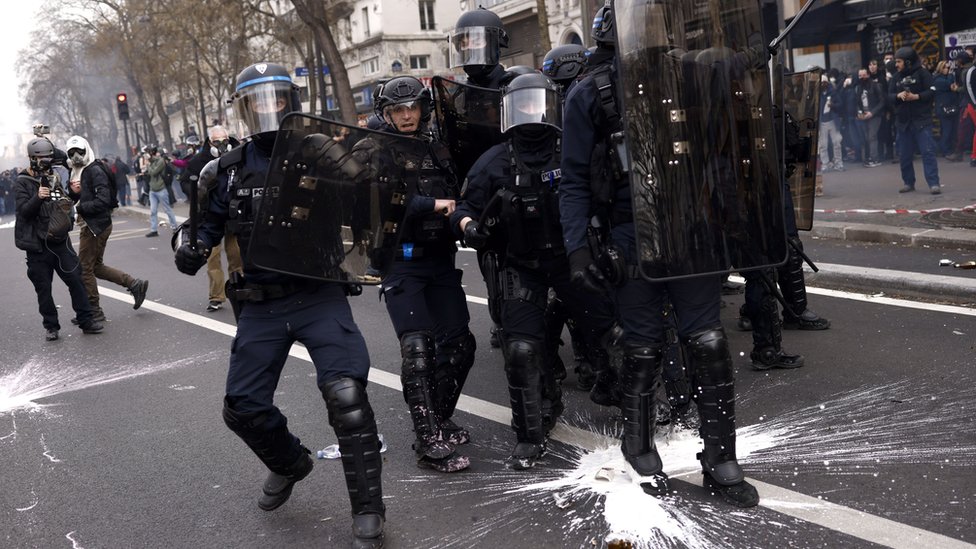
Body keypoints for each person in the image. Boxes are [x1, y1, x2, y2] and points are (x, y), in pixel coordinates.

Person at [173, 62, 385, 548]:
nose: (270, 110)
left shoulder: (323, 155)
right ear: (244, 110)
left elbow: (371, 204)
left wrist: (372, 169)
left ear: (292, 103)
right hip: (261, 301)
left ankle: (369, 508)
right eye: (258, 101)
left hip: (318, 294)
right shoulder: (221, 172)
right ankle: (291, 462)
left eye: (278, 99)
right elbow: (199, 229)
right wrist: (185, 247)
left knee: (347, 396)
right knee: (242, 408)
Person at [558, 2, 758, 506]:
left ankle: (720, 455)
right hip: (629, 234)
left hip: (691, 228)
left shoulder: (694, 78)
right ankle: (638, 442)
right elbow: (575, 182)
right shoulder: (591, 94)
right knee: (643, 346)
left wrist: (734, 221)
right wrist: (578, 249)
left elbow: (727, 152)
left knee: (708, 340)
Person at [453, 72, 617, 469]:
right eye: (522, 105)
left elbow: (607, 196)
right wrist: (468, 227)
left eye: (536, 103)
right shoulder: (494, 160)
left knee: (617, 337)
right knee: (522, 350)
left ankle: (632, 408)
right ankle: (529, 433)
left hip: (571, 260)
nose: (531, 113)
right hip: (521, 266)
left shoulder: (572, 152)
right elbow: (464, 208)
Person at [355, 75, 475, 473]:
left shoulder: (437, 148)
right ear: (386, 113)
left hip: (440, 258)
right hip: (401, 261)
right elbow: (379, 203)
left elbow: (461, 190)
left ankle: (439, 417)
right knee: (418, 349)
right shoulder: (372, 150)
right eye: (398, 110)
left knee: (460, 343)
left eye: (413, 108)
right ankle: (428, 442)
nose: (407, 116)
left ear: (423, 109)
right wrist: (432, 205)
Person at [14, 137, 103, 341]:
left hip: (60, 242)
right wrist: (38, 197)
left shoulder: (54, 175)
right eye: (42, 158)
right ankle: (51, 326)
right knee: (44, 289)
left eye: (48, 158)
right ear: (32, 159)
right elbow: (24, 213)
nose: (46, 162)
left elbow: (63, 205)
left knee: (76, 280)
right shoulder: (22, 182)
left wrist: (74, 193)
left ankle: (86, 320)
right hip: (37, 246)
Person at [63, 135, 149, 321]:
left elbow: (102, 200)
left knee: (84, 268)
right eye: (72, 153)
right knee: (96, 267)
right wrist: (74, 192)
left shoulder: (94, 170)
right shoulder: (78, 170)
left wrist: (80, 207)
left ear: (87, 150)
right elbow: (76, 195)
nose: (76, 156)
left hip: (95, 226)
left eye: (80, 151)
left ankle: (93, 311)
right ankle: (134, 284)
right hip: (92, 224)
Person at [178, 125, 243, 312]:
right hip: (210, 216)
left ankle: (240, 291)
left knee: (236, 256)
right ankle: (216, 296)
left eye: (224, 140)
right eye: (217, 141)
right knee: (211, 257)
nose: (222, 145)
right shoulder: (200, 161)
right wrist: (196, 194)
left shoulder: (239, 156)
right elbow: (185, 181)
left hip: (233, 215)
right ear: (209, 142)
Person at [888, 46, 940, 194]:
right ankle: (908, 183)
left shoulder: (923, 73)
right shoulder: (896, 77)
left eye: (899, 61)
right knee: (904, 155)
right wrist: (898, 96)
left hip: (922, 121)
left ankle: (934, 184)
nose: (896, 64)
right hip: (903, 123)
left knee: (927, 152)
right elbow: (888, 96)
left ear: (908, 62)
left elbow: (932, 91)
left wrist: (917, 97)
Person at [449, 7, 512, 89]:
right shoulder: (461, 93)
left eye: (477, 42)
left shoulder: (514, 85)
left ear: (494, 45)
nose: (469, 49)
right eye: (464, 44)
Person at [854, 68, 885, 168]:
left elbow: (882, 101)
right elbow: (857, 102)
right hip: (863, 115)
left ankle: (874, 159)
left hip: (875, 115)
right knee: (865, 137)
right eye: (860, 76)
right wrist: (859, 112)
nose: (862, 77)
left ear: (868, 75)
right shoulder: (858, 88)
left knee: (872, 136)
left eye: (863, 75)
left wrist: (872, 112)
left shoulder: (875, 86)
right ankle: (868, 158)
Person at [145, 147, 179, 236]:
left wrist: (148, 165)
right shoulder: (151, 161)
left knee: (167, 209)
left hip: (161, 189)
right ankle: (153, 230)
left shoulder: (161, 161)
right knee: (153, 211)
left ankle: (175, 227)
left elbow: (153, 172)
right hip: (152, 190)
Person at [818, 74, 845, 173]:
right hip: (822, 122)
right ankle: (825, 164)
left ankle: (838, 163)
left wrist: (832, 105)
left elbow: (840, 104)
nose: (822, 84)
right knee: (823, 145)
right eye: (820, 83)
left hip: (833, 121)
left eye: (824, 82)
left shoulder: (833, 92)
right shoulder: (817, 93)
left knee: (837, 142)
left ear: (827, 83)